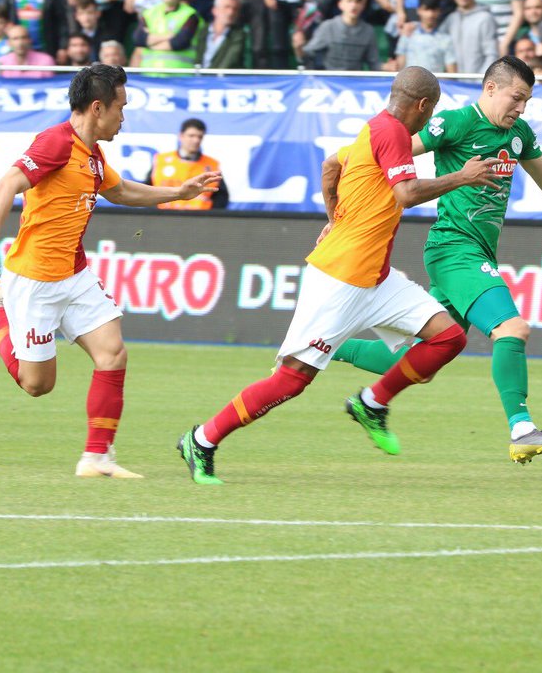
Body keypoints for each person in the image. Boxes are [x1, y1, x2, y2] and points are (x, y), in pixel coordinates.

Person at [176, 67, 499, 483]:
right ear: (423, 106)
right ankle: (201, 440)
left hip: (377, 278)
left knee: (449, 336)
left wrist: (335, 217)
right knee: (291, 380)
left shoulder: (375, 131)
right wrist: (462, 177)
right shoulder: (392, 133)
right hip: (340, 279)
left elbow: (331, 165)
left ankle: (373, 402)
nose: (428, 118)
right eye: (430, 110)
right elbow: (406, 193)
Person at [331, 56, 542, 464]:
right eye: (517, 98)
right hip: (455, 249)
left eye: (527, 101)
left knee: (420, 358)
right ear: (491, 88)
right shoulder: (454, 123)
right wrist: (344, 213)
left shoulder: (519, 134)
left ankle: (329, 346)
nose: (521, 108)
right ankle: (522, 428)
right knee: (513, 328)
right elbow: (385, 155)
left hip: (476, 253)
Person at [0, 65, 219, 478]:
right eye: (121, 107)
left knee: (112, 354)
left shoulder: (93, 154)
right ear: (97, 107)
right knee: (37, 385)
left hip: (74, 275)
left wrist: (179, 192)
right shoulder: (55, 143)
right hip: (34, 280)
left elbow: (120, 191)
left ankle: (97, 458)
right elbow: (5, 184)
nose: (124, 117)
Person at [149, 117, 228, 208]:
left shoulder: (211, 164)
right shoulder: (161, 160)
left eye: (200, 137)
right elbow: (147, 189)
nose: (196, 140)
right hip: (163, 217)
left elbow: (221, 196)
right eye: (191, 136)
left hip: (199, 218)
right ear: (181, 136)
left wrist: (210, 218)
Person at [132, 0, 202, 71]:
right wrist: (169, 36)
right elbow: (139, 39)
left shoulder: (190, 14)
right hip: (149, 75)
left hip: (179, 76)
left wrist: (150, 42)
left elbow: (179, 42)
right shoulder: (149, 13)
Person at [296, 0, 379, 70]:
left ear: (362, 6)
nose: (353, 5)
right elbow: (307, 54)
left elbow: (374, 63)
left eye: (357, 2)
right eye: (349, 1)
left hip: (355, 81)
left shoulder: (368, 31)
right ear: (340, 5)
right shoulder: (328, 27)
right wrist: (298, 48)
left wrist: (386, 67)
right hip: (329, 80)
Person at [441, 0, 499, 75]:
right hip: (452, 86)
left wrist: (481, 80)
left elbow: (492, 54)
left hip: (476, 85)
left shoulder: (485, 18)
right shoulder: (450, 19)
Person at [392, 0, 456, 73]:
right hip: (409, 84)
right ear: (418, 10)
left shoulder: (446, 39)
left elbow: (452, 73)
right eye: (426, 9)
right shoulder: (407, 34)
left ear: (439, 11)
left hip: (435, 85)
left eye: (434, 10)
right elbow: (400, 67)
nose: (430, 14)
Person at [199, 0, 246, 67]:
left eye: (235, 9)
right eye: (226, 7)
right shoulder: (202, 31)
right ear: (215, 10)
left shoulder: (239, 35)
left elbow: (229, 61)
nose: (231, 12)